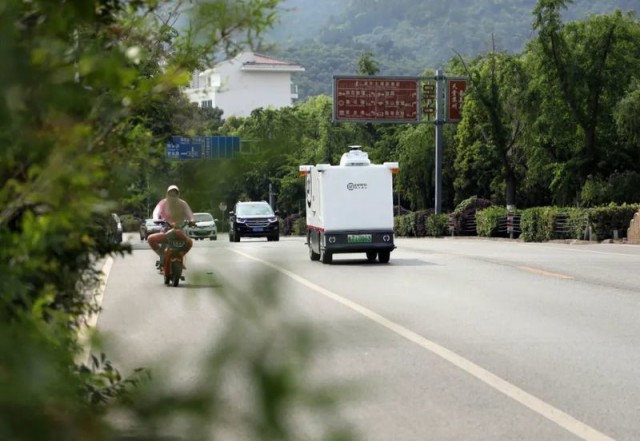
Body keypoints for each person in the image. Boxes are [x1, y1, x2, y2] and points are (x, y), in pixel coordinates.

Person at [148, 185, 195, 271]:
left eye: (174, 195)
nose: (172, 197)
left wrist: (192, 220)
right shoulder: (162, 203)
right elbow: (156, 212)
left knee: (189, 242)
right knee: (151, 239)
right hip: (166, 232)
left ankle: (180, 256)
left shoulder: (183, 204)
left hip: (179, 231)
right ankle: (162, 255)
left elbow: (190, 215)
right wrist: (156, 219)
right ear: (167, 195)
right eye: (170, 195)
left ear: (178, 195)